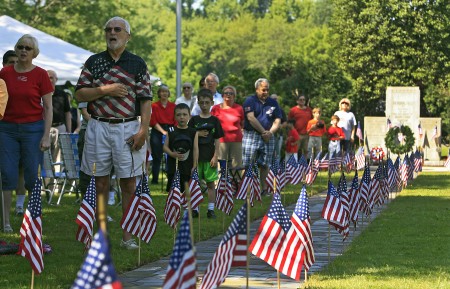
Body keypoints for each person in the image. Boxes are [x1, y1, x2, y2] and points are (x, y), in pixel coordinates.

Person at [75, 17, 152, 250]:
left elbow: (146, 100)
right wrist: (104, 90)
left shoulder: (137, 64)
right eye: (108, 29)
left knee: (129, 183)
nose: (112, 33)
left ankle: (127, 238)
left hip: (128, 127)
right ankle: (99, 235)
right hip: (98, 126)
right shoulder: (94, 61)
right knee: (99, 183)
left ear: (128, 35)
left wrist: (143, 130)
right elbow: (79, 95)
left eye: (117, 29)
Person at [0, 34, 53, 233]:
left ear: (34, 53)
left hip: (33, 129)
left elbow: (48, 108)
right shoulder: (4, 73)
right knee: (7, 174)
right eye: (20, 47)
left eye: (27, 48)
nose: (23, 50)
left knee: (32, 176)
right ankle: (5, 222)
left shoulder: (40, 75)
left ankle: (33, 221)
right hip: (6, 129)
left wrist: (46, 135)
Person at [242, 78, 281, 195]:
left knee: (265, 164)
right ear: (257, 89)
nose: (266, 92)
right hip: (252, 135)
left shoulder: (273, 103)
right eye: (263, 90)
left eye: (267, 90)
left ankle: (263, 189)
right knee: (248, 163)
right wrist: (264, 132)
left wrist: (270, 133)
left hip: (269, 136)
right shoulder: (250, 100)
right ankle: (246, 189)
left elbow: (277, 120)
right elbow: (250, 118)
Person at [189, 88, 224, 219]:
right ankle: (195, 209)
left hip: (210, 157)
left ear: (212, 103)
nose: (204, 105)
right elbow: (188, 135)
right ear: (198, 102)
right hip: (196, 157)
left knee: (210, 184)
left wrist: (216, 156)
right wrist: (197, 133)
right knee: (195, 184)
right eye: (201, 102)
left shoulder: (214, 121)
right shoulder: (194, 120)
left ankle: (210, 209)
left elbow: (217, 139)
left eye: (207, 102)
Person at [2, 50, 26, 215]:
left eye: (16, 62)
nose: (15, 65)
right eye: (11, 62)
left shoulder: (24, 81)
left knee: (21, 170)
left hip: (23, 129)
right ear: (4, 64)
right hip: (4, 129)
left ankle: (19, 206)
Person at [163, 103, 198, 194]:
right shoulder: (171, 131)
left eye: (184, 114)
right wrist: (172, 154)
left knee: (187, 191)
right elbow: (165, 147)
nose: (181, 117)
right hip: (173, 167)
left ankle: (186, 208)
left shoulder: (193, 132)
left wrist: (194, 165)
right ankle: (174, 208)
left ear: (189, 116)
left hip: (187, 166)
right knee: (173, 191)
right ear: (174, 116)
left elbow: (195, 149)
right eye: (178, 115)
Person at [211, 85, 244, 170]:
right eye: (226, 93)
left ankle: (235, 183)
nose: (228, 95)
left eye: (231, 93)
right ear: (222, 95)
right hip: (220, 141)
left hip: (236, 141)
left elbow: (243, 124)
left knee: (236, 167)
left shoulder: (239, 108)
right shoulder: (216, 108)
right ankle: (219, 183)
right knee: (220, 168)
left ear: (234, 96)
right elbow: (211, 124)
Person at [149, 85, 176, 184]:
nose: (164, 93)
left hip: (170, 129)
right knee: (157, 156)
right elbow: (152, 121)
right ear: (159, 93)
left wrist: (169, 132)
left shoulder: (173, 106)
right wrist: (163, 132)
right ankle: (155, 179)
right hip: (157, 130)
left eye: (166, 91)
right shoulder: (154, 106)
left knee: (170, 155)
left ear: (168, 93)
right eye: (162, 91)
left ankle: (170, 179)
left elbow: (175, 121)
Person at [48, 70, 72, 167]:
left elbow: (67, 113)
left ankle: (56, 182)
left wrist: (69, 131)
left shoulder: (63, 94)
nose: (50, 80)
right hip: (45, 128)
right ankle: (45, 180)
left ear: (56, 80)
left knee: (58, 156)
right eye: (48, 77)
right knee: (45, 155)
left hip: (60, 128)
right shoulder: (39, 93)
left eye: (52, 77)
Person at [270, 93, 287, 158]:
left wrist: (279, 126)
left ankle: (276, 168)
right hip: (269, 134)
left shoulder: (281, 110)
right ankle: (268, 168)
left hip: (279, 135)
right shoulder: (267, 110)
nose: (274, 100)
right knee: (269, 153)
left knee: (277, 153)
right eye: (272, 99)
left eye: (275, 99)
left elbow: (285, 122)